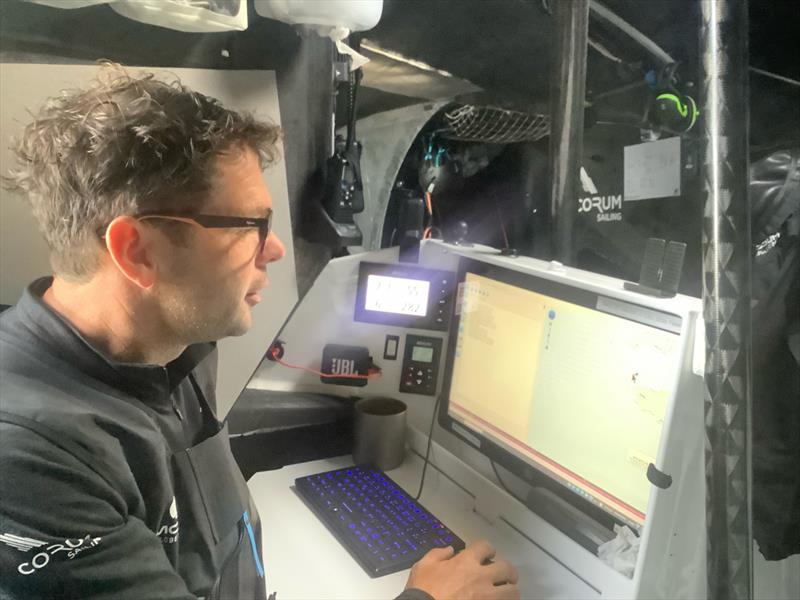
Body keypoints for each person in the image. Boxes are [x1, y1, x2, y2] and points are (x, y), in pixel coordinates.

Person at [0, 66, 520, 600]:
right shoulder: (30, 462)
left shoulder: (175, 343)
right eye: (252, 226)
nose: (273, 251)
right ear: (138, 251)